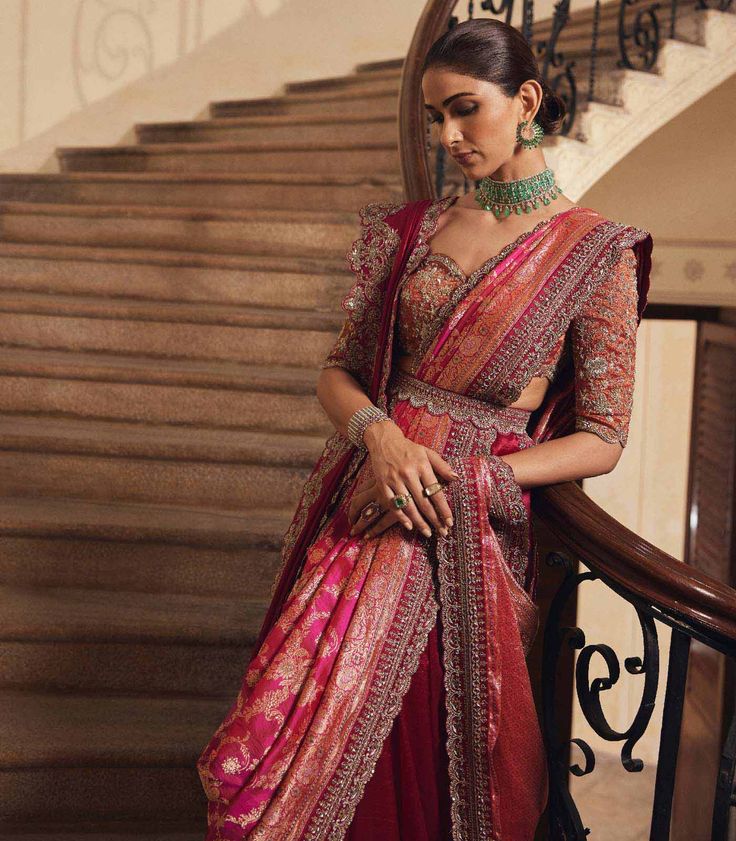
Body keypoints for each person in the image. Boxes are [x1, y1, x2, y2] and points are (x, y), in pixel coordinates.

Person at [196, 17, 653, 841]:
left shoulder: (597, 255)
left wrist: (476, 477)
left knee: (412, 762)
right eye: (434, 118)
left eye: (464, 111)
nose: (446, 138)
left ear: (526, 102)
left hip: (456, 525)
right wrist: (381, 437)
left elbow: (605, 437)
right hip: (366, 495)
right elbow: (338, 371)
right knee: (287, 744)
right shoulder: (414, 232)